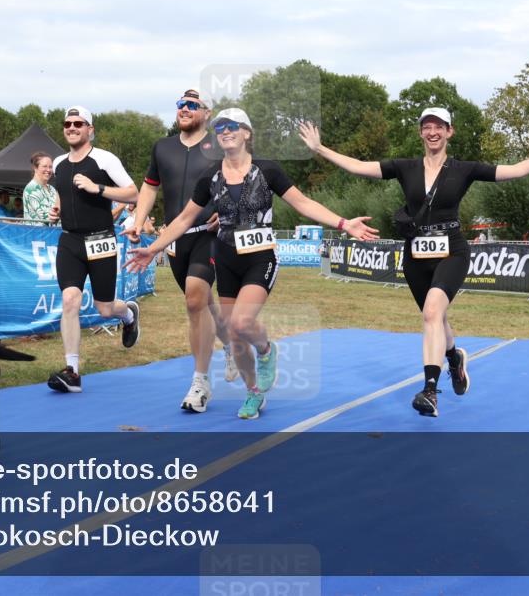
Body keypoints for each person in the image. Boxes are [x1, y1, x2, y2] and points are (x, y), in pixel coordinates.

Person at [298, 108, 529, 418]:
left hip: (452, 250)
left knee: (432, 312)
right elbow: (358, 167)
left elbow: (516, 170)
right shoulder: (405, 167)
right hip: (415, 255)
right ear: (421, 133)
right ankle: (453, 357)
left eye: (439, 126)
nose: (433, 132)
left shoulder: (464, 169)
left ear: (450, 131)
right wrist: (319, 148)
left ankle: (429, 391)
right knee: (436, 318)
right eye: (427, 126)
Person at [126, 108, 378, 420]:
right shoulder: (211, 176)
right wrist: (154, 248)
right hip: (226, 260)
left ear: (247, 133)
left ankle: (266, 350)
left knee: (241, 323)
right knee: (234, 337)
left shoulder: (267, 170)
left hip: (260, 258)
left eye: (232, 126)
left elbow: (303, 203)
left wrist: (344, 223)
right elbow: (184, 219)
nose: (225, 132)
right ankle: (253, 392)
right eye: (220, 128)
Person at [124, 88, 236, 414]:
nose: (184, 109)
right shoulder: (163, 147)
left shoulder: (220, 146)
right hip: (174, 239)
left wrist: (228, 211)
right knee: (202, 302)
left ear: (207, 113)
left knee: (194, 299)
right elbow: (150, 187)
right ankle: (229, 341)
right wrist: (138, 220)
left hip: (209, 236)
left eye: (192, 105)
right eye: (181, 104)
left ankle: (200, 382)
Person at [46, 106, 142, 394]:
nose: (71, 128)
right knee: (70, 300)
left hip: (100, 239)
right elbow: (63, 194)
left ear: (90, 129)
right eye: (67, 123)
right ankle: (72, 372)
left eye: (78, 123)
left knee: (104, 308)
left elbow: (134, 193)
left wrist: (97, 188)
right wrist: (56, 211)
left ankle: (128, 314)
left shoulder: (104, 159)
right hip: (70, 241)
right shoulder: (59, 163)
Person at [23, 152, 60, 225]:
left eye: (50, 167)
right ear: (35, 168)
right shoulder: (31, 189)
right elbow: (46, 216)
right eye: (44, 166)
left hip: (53, 230)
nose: (48, 170)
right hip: (37, 231)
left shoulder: (51, 188)